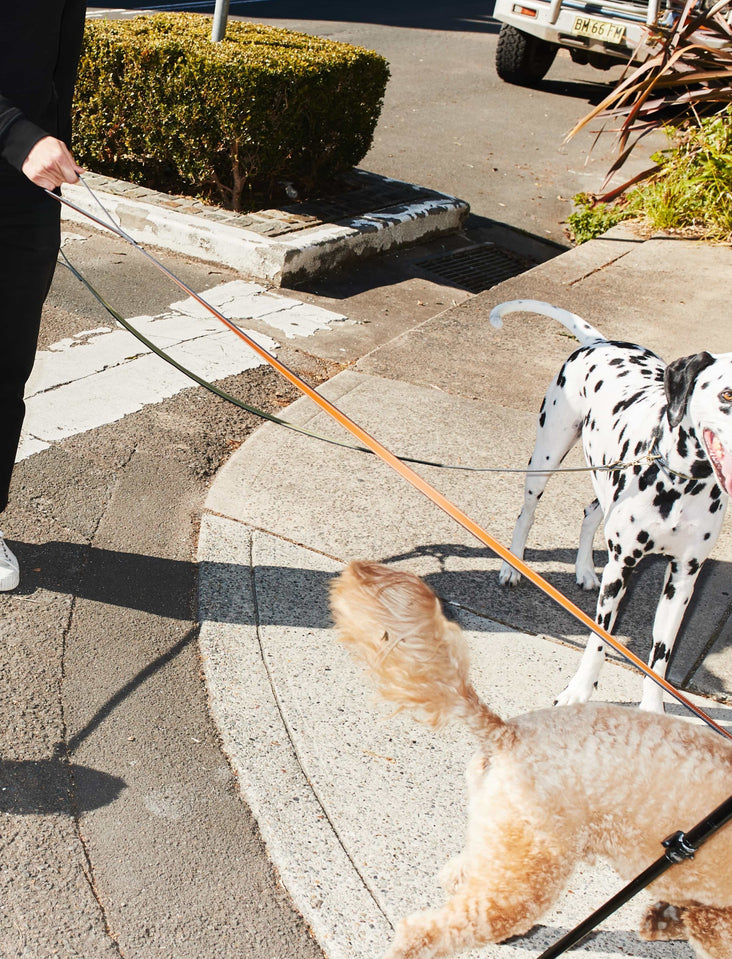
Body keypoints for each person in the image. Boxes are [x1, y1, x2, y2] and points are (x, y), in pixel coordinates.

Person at [0, 3, 87, 590]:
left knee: (6, 368)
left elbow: (58, 69)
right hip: (18, 147)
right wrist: (17, 134)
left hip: (26, 197)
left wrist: (54, 148)